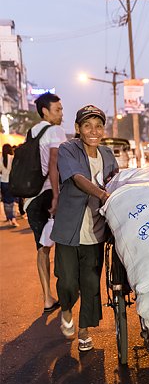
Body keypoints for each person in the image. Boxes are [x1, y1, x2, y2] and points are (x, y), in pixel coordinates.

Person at [52, 105, 118, 352]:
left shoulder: (108, 154)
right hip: (70, 229)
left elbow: (117, 181)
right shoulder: (68, 149)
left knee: (90, 285)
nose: (94, 131)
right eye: (87, 125)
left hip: (96, 231)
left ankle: (83, 331)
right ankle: (67, 310)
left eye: (98, 125)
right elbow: (78, 178)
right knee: (68, 281)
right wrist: (102, 194)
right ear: (78, 129)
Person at [25, 92, 67, 313]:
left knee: (42, 249)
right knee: (63, 243)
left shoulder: (31, 132)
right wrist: (57, 196)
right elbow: (54, 164)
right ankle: (66, 291)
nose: (61, 114)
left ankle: (47, 298)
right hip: (49, 194)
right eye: (58, 109)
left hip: (31, 199)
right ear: (45, 112)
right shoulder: (55, 131)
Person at [1, 144, 18, 227]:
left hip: (3, 182)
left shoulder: (0, 159)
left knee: (6, 201)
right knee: (13, 200)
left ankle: (9, 217)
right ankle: (13, 218)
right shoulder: (12, 158)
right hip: (12, 182)